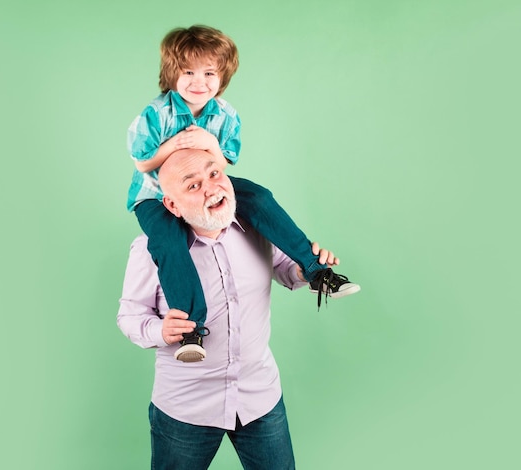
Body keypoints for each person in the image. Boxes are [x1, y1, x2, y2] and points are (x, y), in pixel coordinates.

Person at [126, 25, 359, 362]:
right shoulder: (156, 112)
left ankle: (314, 270)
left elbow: (225, 160)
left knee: (260, 197)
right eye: (188, 72)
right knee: (169, 242)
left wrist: (208, 145)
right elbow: (142, 160)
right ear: (171, 74)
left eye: (209, 73)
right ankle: (192, 329)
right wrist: (172, 146)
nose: (199, 81)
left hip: (209, 181)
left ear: (222, 76)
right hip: (154, 194)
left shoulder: (224, 114)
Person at [118, 148, 343, 469]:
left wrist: (305, 269)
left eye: (214, 174)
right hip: (187, 408)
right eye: (193, 185)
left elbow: (283, 268)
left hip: (259, 396)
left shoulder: (256, 226)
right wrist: (161, 331)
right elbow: (130, 317)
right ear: (171, 204)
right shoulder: (149, 249)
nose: (211, 188)